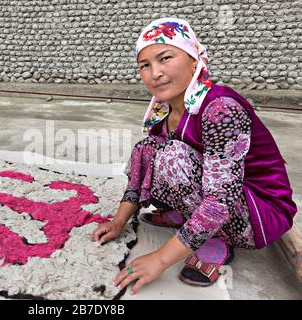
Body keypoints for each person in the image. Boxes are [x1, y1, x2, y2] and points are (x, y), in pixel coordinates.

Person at [91, 18, 297, 295]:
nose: (155, 73)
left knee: (172, 156)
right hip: (224, 198)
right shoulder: (164, 111)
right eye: (145, 65)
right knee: (148, 149)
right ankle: (189, 218)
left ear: (193, 60)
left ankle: (218, 241)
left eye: (165, 58)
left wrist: (161, 259)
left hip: (260, 210)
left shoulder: (220, 109)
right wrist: (119, 221)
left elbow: (221, 198)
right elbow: (144, 164)